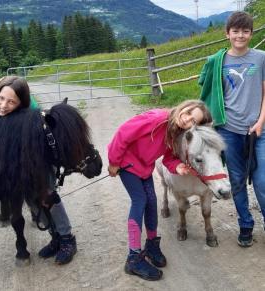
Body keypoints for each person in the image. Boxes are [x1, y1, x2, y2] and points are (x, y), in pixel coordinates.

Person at [0, 76, 77, 264]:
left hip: (32, 157)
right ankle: (54, 236)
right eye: (1, 98)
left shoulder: (31, 112)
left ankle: (66, 238)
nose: (3, 105)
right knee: (34, 201)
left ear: (21, 103)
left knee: (46, 193)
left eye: (11, 102)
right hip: (7, 162)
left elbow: (47, 129)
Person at [107, 100, 212, 281]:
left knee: (152, 201)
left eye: (194, 122)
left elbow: (169, 158)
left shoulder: (177, 132)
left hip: (144, 167)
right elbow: (124, 133)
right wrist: (114, 161)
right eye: (188, 113)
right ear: (184, 107)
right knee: (140, 201)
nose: (187, 120)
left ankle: (152, 245)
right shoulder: (157, 119)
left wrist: (177, 166)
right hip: (127, 162)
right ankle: (133, 257)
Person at [199, 11, 265, 247]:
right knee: (236, 180)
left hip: (259, 130)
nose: (240, 35)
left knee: (262, 181)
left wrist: (260, 122)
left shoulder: (260, 58)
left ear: (251, 33)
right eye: (235, 31)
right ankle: (245, 225)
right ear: (227, 33)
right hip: (229, 130)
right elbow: (208, 92)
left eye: (245, 31)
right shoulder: (218, 62)